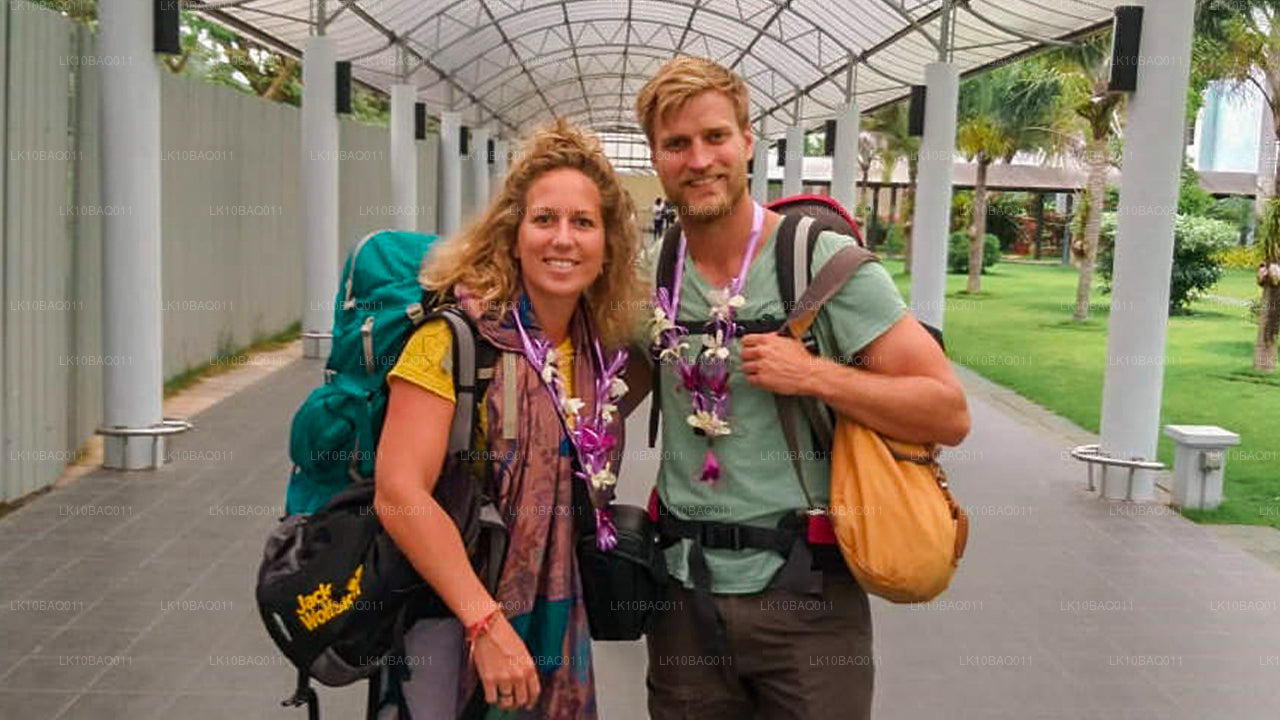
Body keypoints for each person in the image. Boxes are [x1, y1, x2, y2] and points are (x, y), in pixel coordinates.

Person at [632, 56, 971, 719]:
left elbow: (948, 411)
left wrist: (814, 374)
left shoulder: (820, 260)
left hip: (808, 599)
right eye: (677, 144)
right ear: (656, 157)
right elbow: (606, 397)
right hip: (682, 599)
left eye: (715, 136)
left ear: (747, 141)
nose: (698, 160)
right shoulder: (654, 271)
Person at [374, 118, 645, 719]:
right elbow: (398, 492)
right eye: (544, 219)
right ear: (512, 234)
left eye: (583, 223)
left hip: (558, 621)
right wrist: (485, 622)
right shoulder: (455, 341)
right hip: (449, 622)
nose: (563, 239)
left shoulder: (598, 352)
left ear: (607, 246)